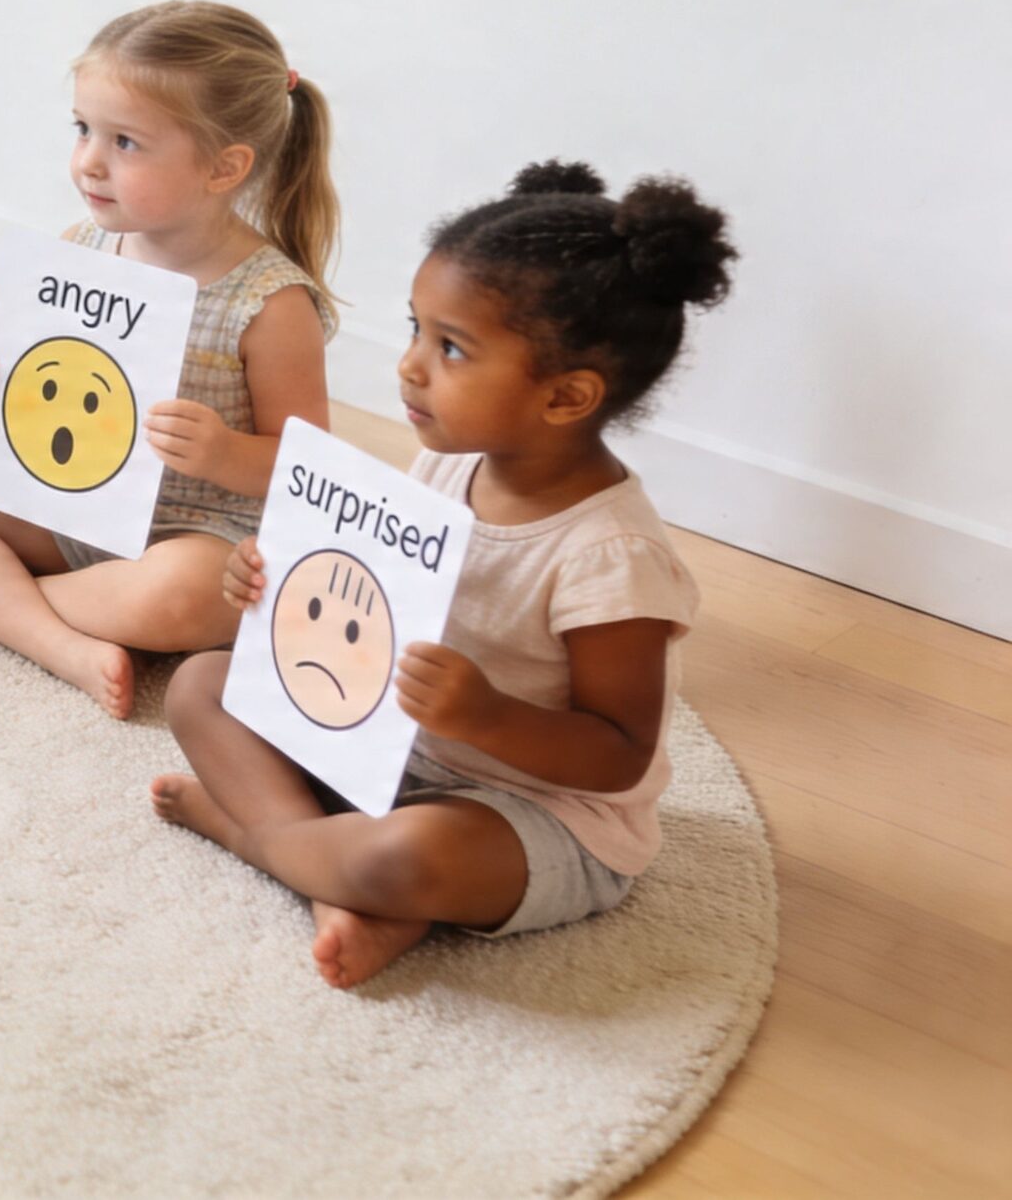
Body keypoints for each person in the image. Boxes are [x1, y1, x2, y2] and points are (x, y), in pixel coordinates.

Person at [151, 161, 734, 988]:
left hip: (535, 810)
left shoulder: (611, 557)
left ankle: (265, 842)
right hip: (391, 749)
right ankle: (335, 874)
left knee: (411, 856)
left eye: (452, 347)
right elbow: (375, 600)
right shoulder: (444, 464)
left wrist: (484, 714)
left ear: (567, 398)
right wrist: (275, 585)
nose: (410, 366)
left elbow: (619, 758)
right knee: (202, 686)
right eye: (416, 329)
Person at [0, 2, 338, 717]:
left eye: (126, 142)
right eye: (84, 129)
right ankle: (57, 636)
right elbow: (38, 388)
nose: (89, 159)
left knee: (182, 596)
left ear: (224, 168)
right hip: (75, 512)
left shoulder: (270, 302)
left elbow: (305, 468)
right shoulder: (79, 248)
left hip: (198, 535)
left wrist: (219, 452)